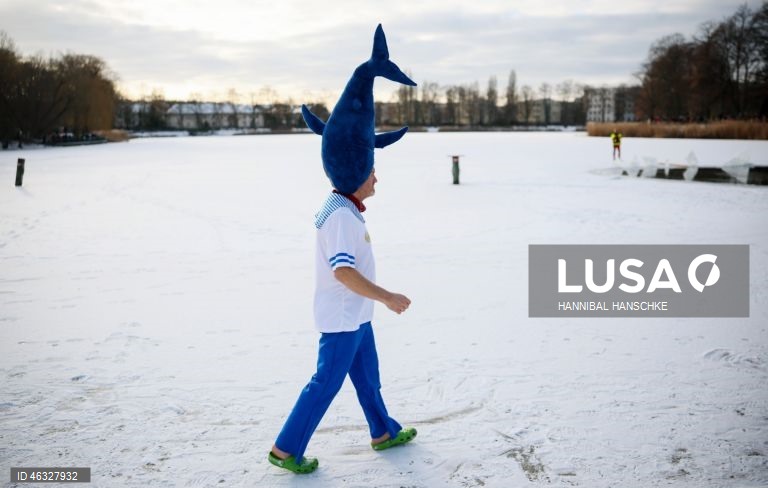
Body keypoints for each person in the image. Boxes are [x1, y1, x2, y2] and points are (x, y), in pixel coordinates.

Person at [268, 24, 418, 475]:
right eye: (372, 170)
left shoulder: (346, 208)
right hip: (341, 316)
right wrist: (387, 296)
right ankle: (285, 448)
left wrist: (373, 304)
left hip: (356, 315)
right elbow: (342, 272)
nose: (377, 178)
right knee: (324, 383)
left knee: (367, 378)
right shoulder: (338, 215)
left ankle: (383, 431)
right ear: (356, 171)